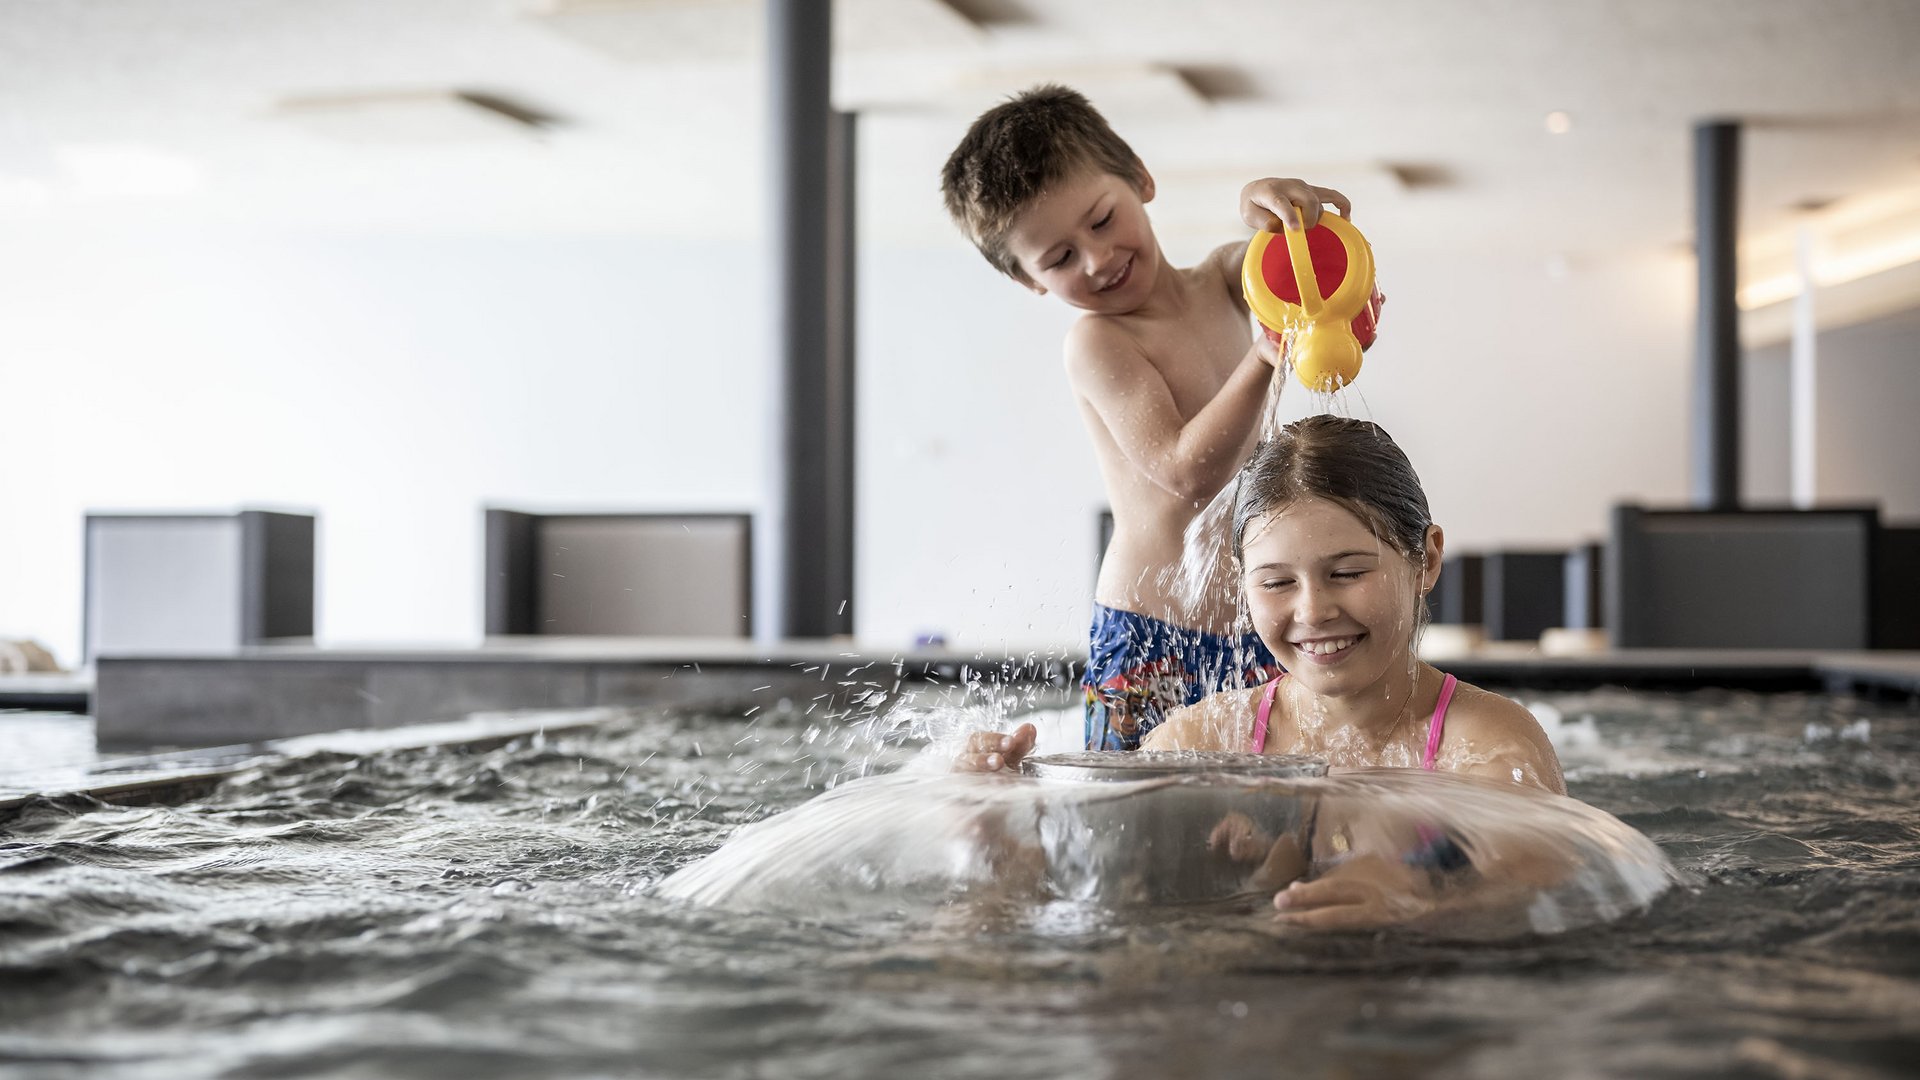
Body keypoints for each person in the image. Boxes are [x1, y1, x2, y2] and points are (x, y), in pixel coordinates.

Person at [961, 415, 1574, 929]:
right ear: (1243, 587)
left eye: (1348, 573)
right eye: (1277, 582)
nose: (1313, 611)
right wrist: (995, 831)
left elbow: (1536, 875)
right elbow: (1097, 890)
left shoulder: (1490, 742)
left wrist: (1423, 892)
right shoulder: (1200, 742)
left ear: (1427, 559)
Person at [940, 85, 1358, 751]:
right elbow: (1184, 471)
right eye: (1059, 259)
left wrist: (1271, 206)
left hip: (1260, 625)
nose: (1098, 259)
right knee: (1130, 828)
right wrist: (1267, 351)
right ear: (1029, 280)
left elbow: (1270, 261)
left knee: (1270, 821)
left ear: (1140, 179)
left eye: (1103, 220)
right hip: (1152, 633)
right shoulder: (1100, 343)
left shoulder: (1223, 284)